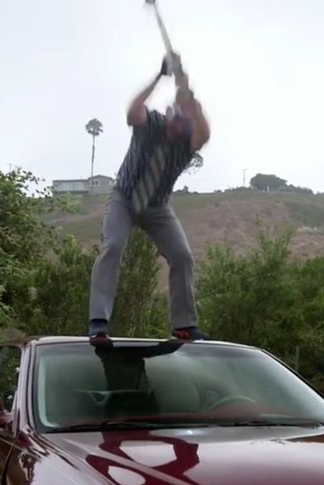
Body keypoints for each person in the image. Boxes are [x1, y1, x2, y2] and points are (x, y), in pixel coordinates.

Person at [87, 53, 211, 345]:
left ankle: (184, 325)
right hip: (125, 198)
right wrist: (160, 76)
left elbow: (204, 134)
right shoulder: (151, 124)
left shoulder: (186, 145)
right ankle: (98, 321)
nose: (178, 124)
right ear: (168, 114)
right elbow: (133, 111)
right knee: (113, 246)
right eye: (176, 117)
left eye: (184, 122)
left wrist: (189, 94)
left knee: (182, 257)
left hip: (157, 208)